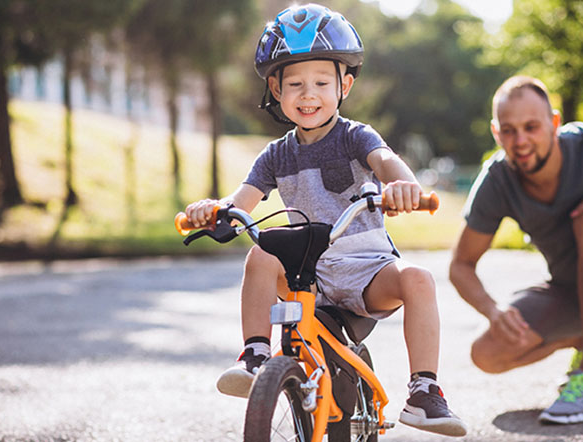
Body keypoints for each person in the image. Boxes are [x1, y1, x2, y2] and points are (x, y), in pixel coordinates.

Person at [183, 4, 467, 437]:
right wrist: (213, 210)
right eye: (294, 83)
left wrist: (403, 187)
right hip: (305, 276)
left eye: (320, 82)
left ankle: (424, 391)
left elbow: (388, 163)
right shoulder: (277, 154)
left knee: (419, 279)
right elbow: (242, 200)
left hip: (366, 270)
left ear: (345, 85)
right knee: (260, 254)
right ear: (276, 91)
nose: (308, 94)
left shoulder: (357, 137)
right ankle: (255, 355)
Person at [449, 75, 583, 425]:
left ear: (553, 123)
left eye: (531, 127)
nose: (520, 141)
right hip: (572, 289)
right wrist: (493, 310)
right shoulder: (498, 179)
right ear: (495, 132)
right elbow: (461, 264)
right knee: (486, 353)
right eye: (509, 130)